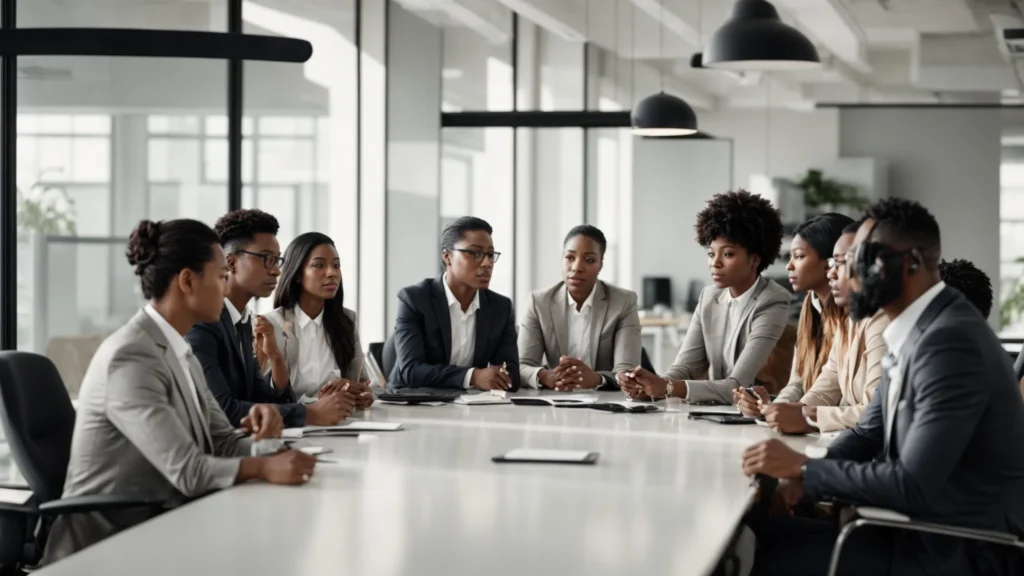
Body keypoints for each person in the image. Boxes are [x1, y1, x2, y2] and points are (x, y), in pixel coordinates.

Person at [741, 199, 1024, 576]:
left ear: (910, 263)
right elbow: (866, 433)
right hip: (912, 531)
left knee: (756, 558)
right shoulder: (914, 329)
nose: (841, 274)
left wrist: (806, 470)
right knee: (755, 530)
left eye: (860, 260)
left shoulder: (951, 342)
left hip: (951, 551)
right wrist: (802, 478)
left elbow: (912, 484)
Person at [42, 219, 316, 565]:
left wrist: (269, 443)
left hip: (163, 523)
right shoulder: (131, 356)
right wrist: (263, 467)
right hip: (107, 546)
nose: (226, 284)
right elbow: (187, 470)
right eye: (220, 276)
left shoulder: (178, 349)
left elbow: (223, 442)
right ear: (187, 281)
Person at [619, 190, 791, 404]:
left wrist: (667, 387)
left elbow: (737, 384)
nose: (715, 263)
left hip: (763, 414)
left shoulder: (773, 300)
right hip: (718, 414)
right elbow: (686, 367)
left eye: (728, 254)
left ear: (755, 259)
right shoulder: (710, 297)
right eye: (711, 254)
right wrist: (650, 385)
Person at [186, 210, 350, 428]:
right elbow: (222, 409)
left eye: (277, 260)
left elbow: (262, 399)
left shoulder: (243, 322)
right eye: (266, 259)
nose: (276, 271)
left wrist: (275, 357)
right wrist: (308, 414)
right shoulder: (204, 323)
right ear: (232, 263)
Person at [751, 220, 890, 434]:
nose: (831, 273)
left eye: (841, 263)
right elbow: (824, 390)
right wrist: (777, 411)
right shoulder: (847, 319)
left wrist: (807, 418)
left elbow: (875, 412)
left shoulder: (881, 322)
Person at [737, 214, 852, 417]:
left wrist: (789, 412)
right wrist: (773, 408)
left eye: (798, 256)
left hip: (833, 427)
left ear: (831, 262)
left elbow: (832, 394)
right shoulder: (810, 306)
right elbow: (797, 383)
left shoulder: (852, 316)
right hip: (812, 422)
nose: (789, 266)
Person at [390, 216, 520, 391]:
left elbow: (511, 373)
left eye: (490, 254)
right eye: (475, 253)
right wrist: (473, 376)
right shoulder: (414, 300)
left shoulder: (500, 307)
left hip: (471, 406)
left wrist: (500, 376)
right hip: (413, 402)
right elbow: (412, 371)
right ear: (447, 257)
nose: (487, 263)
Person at [518, 225, 641, 390]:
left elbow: (627, 371)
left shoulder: (623, 302)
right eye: (570, 257)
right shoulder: (539, 302)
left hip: (606, 403)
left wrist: (598, 379)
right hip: (556, 400)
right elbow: (520, 366)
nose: (576, 267)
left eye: (589, 260)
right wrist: (546, 376)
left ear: (600, 265)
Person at [259, 232, 370, 411]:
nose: (332, 273)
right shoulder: (271, 323)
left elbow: (364, 381)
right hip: (295, 424)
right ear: (297, 274)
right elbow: (266, 394)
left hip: (343, 422)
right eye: (319, 265)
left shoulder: (347, 320)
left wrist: (362, 393)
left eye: (336, 265)